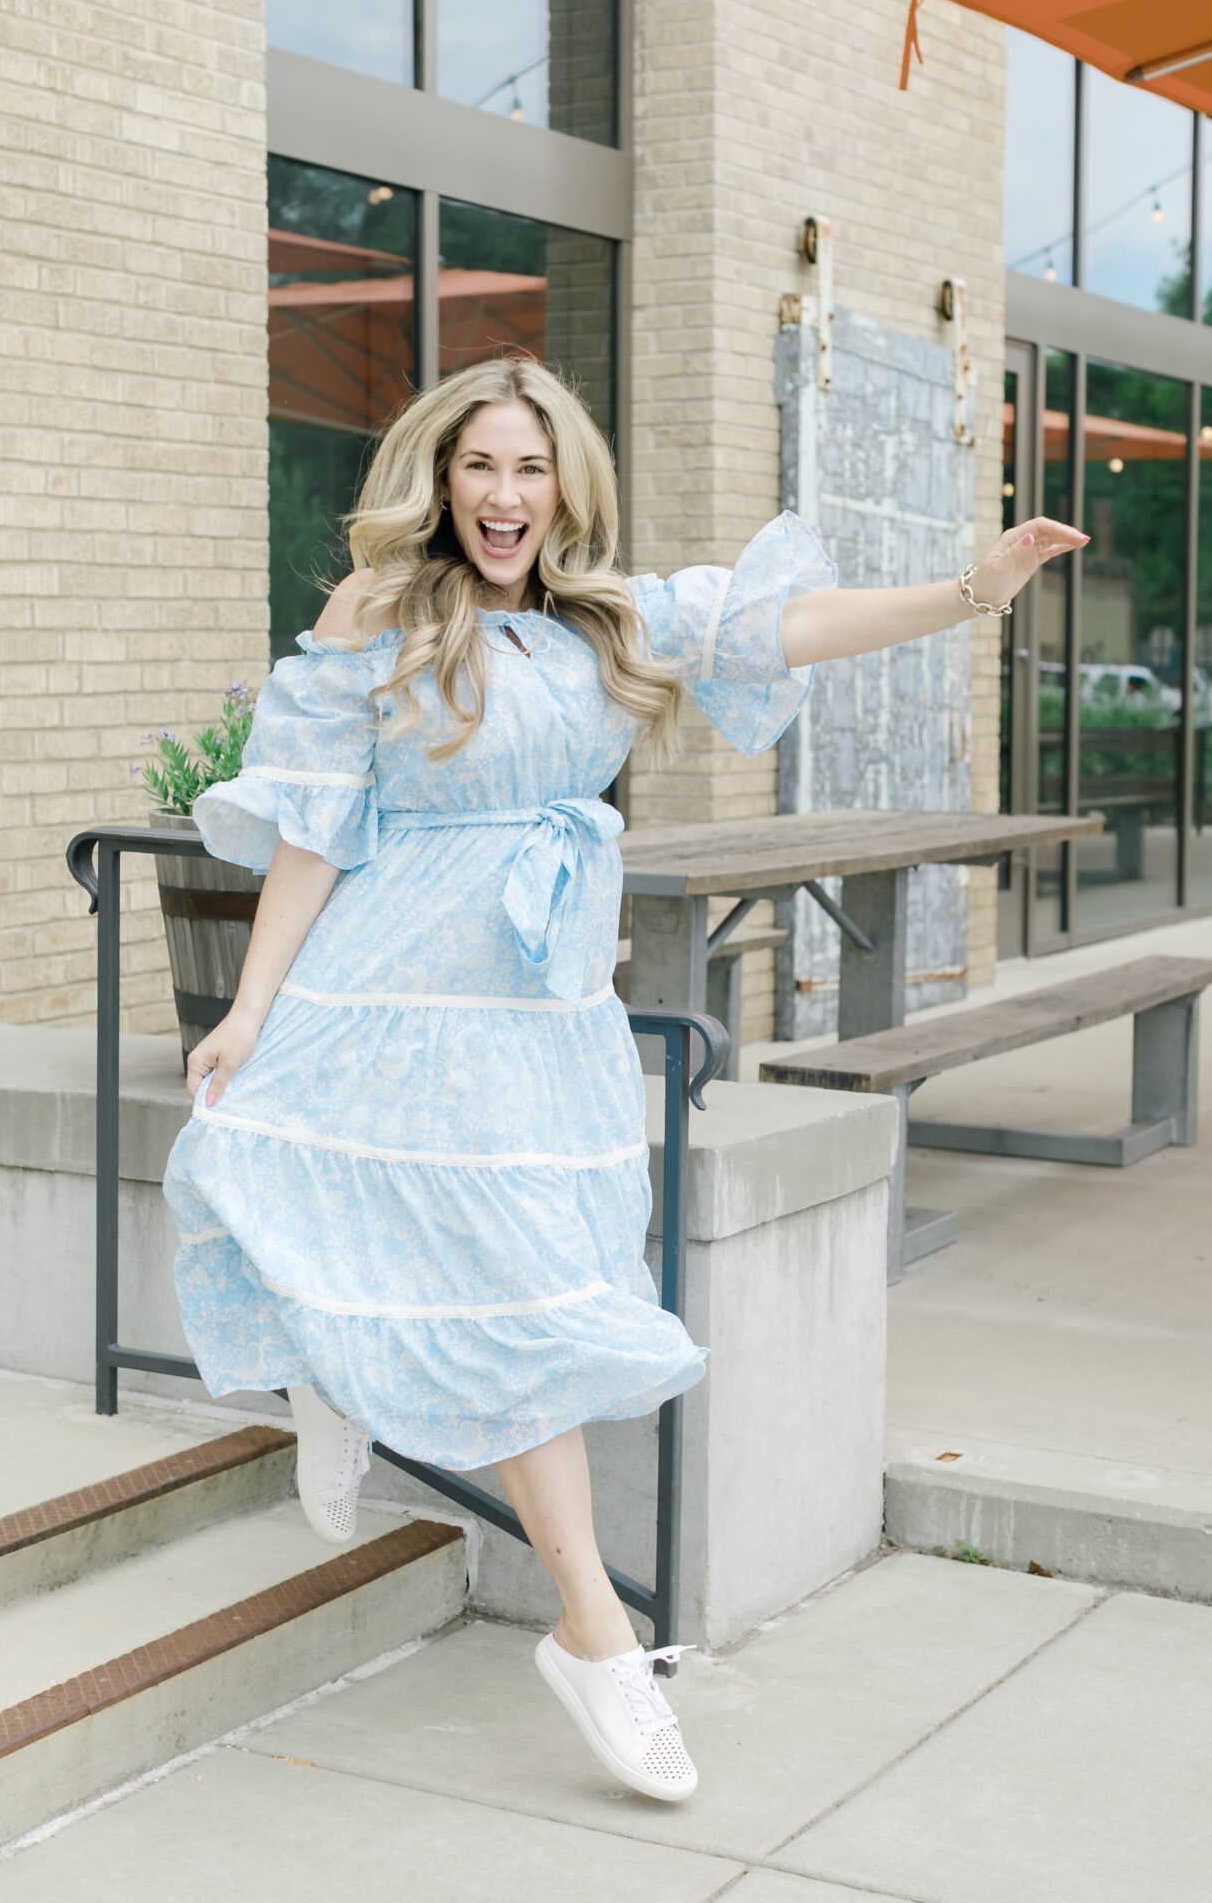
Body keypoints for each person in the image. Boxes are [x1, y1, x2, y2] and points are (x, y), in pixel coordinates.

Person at [161, 356, 1087, 1804]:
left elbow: (790, 625)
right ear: (440, 477)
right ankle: (590, 1629)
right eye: (479, 467)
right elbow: (315, 834)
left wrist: (969, 593)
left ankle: (402, 1436)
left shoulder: (618, 617)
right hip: (388, 980)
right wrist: (248, 1009)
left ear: (563, 484)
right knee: (292, 1166)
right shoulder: (379, 618)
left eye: (528, 469)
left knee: (535, 1283)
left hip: (537, 1009)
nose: (503, 495)